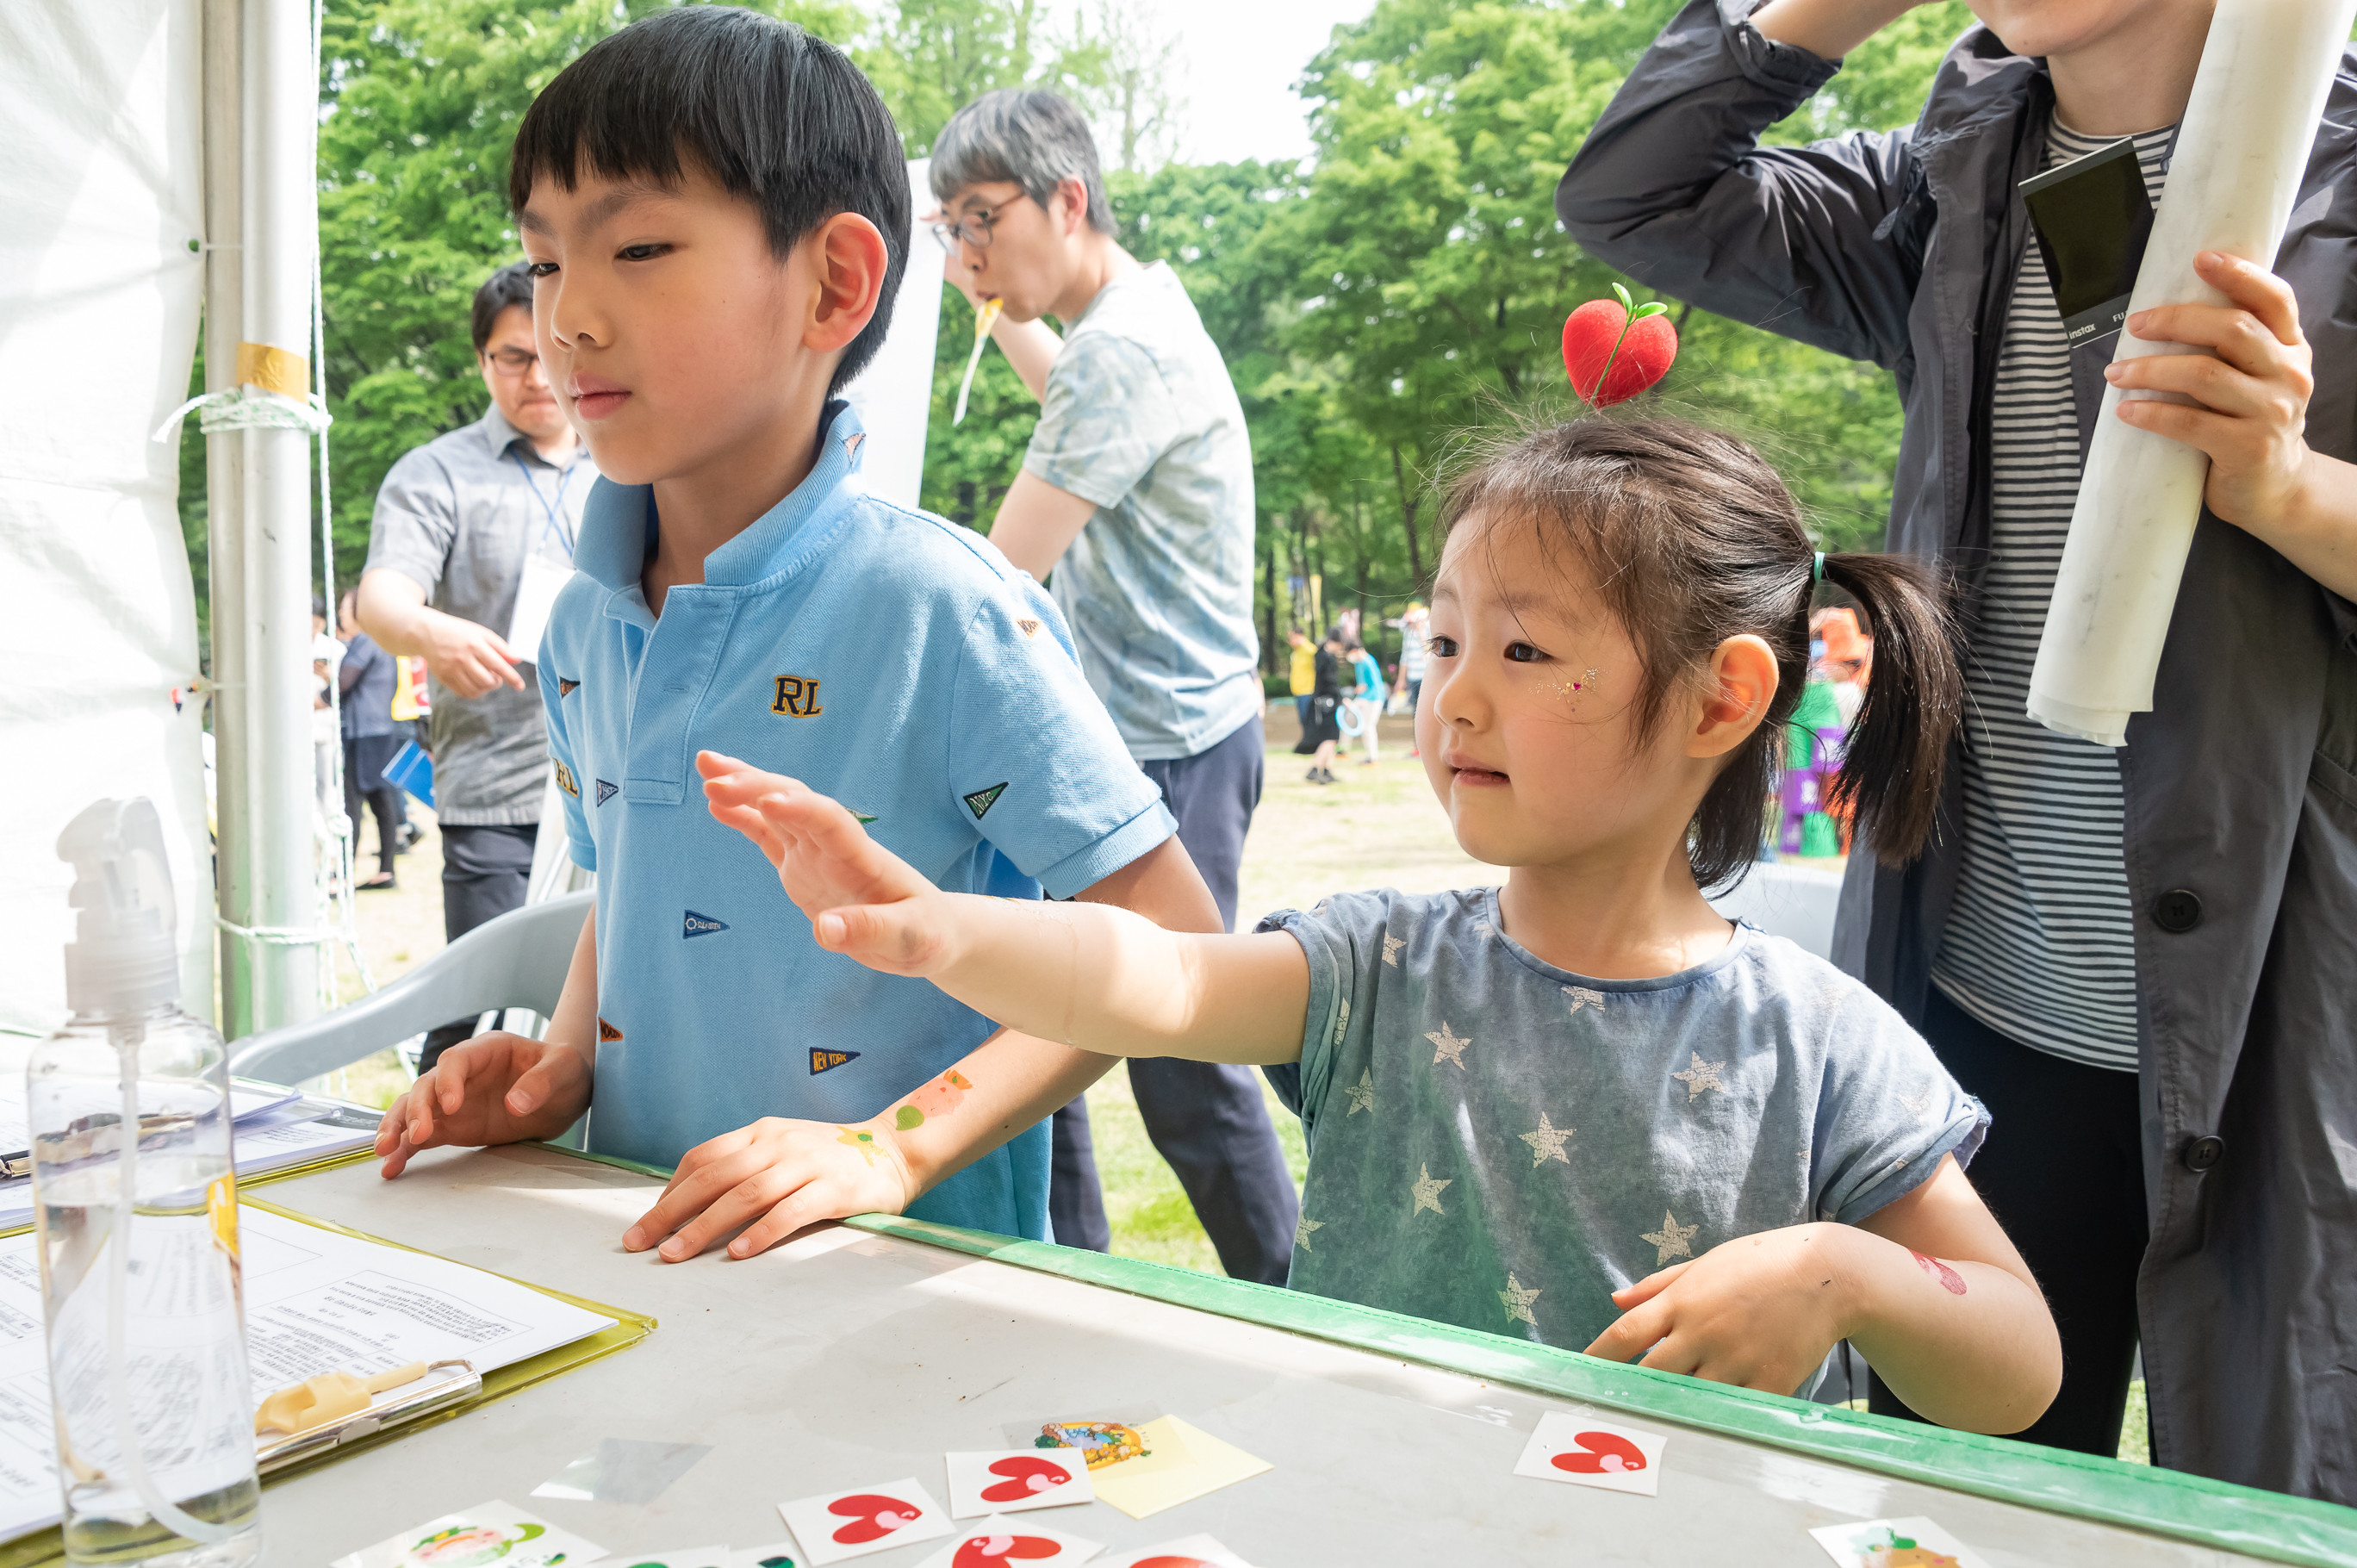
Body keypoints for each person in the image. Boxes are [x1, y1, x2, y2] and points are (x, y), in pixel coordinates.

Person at [693, 417, 2065, 1437]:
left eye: (1525, 652)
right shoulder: (1380, 965)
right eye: (1447, 645)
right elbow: (1158, 975)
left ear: (1720, 701)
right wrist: (947, 933)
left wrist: (1844, 1276)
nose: (1456, 701)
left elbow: (2019, 1365)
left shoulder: (1817, 1040)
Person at [1558, 0, 2357, 1499]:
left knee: (2276, 1510)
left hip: (2286, 1049)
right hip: (1985, 1022)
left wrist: (2292, 488)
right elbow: (1634, 193)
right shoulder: (1948, 182)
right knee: (1954, 1506)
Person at [370, 5, 1227, 1252]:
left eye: (641, 248)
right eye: (548, 260)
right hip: (657, 1268)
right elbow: (626, 883)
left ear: (835, 282)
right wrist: (561, 1062)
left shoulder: (941, 606)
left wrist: (898, 1146)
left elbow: (1175, 941)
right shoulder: (579, 625)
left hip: (908, 1307)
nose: (569, 322)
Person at [927, 89, 1298, 1283]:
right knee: (1054, 1017)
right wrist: (987, 294)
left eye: (981, 218)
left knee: (1180, 1047)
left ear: (1067, 199)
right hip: (1153, 735)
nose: (968, 252)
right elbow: (1070, 388)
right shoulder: (1131, 319)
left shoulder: (1122, 353)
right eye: (948, 226)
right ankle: (1073, 1278)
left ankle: (1302, 1304)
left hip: (1169, 744)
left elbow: (1001, 572)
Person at [358, 260, 601, 1070]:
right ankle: (427, 1170)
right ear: (482, 361)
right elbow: (382, 602)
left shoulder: (632, 456)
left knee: (609, 1024)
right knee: (484, 1016)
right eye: (512, 356)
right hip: (496, 786)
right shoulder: (437, 473)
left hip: (618, 789)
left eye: (549, 349)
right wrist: (433, 633)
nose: (537, 376)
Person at [337, 589, 405, 891]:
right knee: (381, 800)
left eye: (344, 608)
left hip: (364, 732)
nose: (340, 614)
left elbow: (342, 684)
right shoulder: (381, 641)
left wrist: (318, 697)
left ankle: (343, 875)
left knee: (353, 803)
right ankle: (385, 870)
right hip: (379, 729)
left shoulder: (365, 641)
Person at [1295, 628, 1345, 784]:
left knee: (1334, 737)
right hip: (1325, 703)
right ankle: (1315, 769)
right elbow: (1329, 683)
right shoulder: (1323, 657)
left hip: (1330, 702)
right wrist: (1340, 698)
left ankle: (1327, 769)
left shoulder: (1324, 655)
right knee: (1329, 737)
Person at [1347, 638, 1384, 765]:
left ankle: (1373, 758)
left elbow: (1375, 685)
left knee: (1368, 727)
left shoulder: (1368, 661)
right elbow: (1363, 685)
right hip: (1365, 698)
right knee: (1350, 719)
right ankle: (1343, 750)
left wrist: (1364, 699)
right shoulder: (1359, 663)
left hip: (1374, 699)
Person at [1288, 628, 1316, 734]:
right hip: (1298, 692)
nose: (1290, 641)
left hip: (1308, 691)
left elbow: (1318, 655)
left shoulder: (1309, 649)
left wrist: (1304, 643)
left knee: (1309, 719)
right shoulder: (1296, 652)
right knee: (1303, 720)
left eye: (1292, 637)